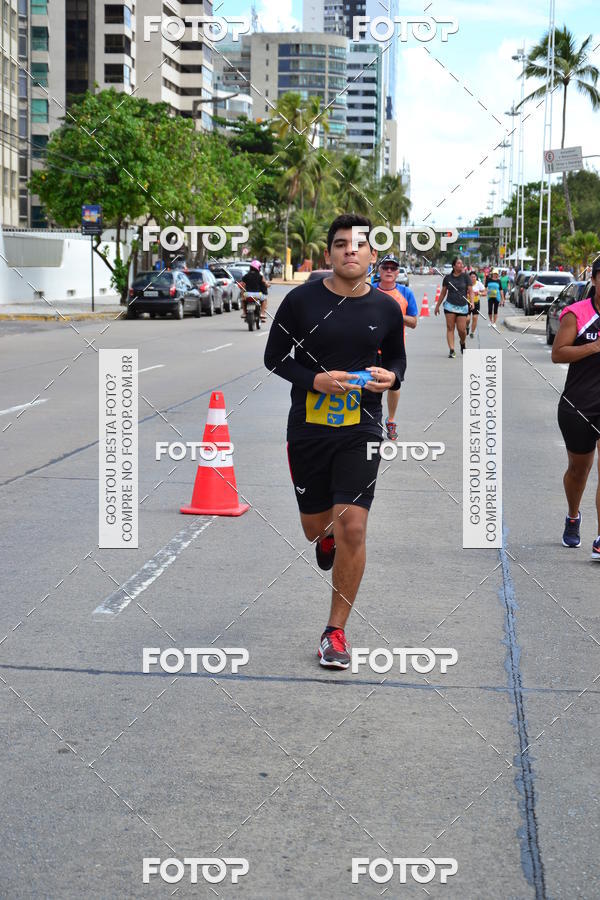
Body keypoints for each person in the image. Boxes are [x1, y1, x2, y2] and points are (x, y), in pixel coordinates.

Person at [264, 213, 406, 668]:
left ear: (371, 254)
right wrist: (315, 381)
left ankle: (335, 632)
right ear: (329, 254)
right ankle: (324, 538)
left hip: (362, 428)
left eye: (359, 244)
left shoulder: (386, 308)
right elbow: (274, 358)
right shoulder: (300, 302)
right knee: (316, 527)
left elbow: (398, 360)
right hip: (308, 428)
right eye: (341, 244)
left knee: (354, 527)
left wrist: (391, 377)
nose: (350, 250)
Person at [551, 257, 600, 557]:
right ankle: (573, 515)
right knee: (578, 471)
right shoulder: (577, 314)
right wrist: (593, 347)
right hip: (579, 405)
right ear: (594, 280)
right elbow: (558, 354)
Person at [374, 255, 418, 439]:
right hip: (370, 348)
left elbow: (414, 321)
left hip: (394, 350)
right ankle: (372, 422)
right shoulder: (369, 290)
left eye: (393, 268)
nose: (389, 271)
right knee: (371, 385)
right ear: (379, 270)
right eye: (386, 267)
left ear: (398, 272)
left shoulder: (405, 293)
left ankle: (390, 420)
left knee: (393, 385)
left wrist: (395, 315)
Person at [434, 257, 473, 357]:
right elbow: (443, 293)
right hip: (449, 306)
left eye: (462, 263)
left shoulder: (466, 277)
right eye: (459, 263)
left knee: (462, 330)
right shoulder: (448, 278)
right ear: (454, 266)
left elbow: (471, 291)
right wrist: (437, 306)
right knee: (450, 328)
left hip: (462, 306)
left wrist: (472, 302)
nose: (461, 265)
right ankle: (452, 350)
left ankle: (462, 342)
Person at [467, 271, 486, 339]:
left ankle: (472, 332)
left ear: (476, 278)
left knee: (475, 318)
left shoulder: (479, 284)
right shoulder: (467, 284)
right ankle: (467, 326)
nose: (473, 278)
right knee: (467, 319)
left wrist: (480, 293)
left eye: (474, 277)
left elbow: (485, 292)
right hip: (468, 303)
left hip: (476, 302)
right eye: (471, 277)